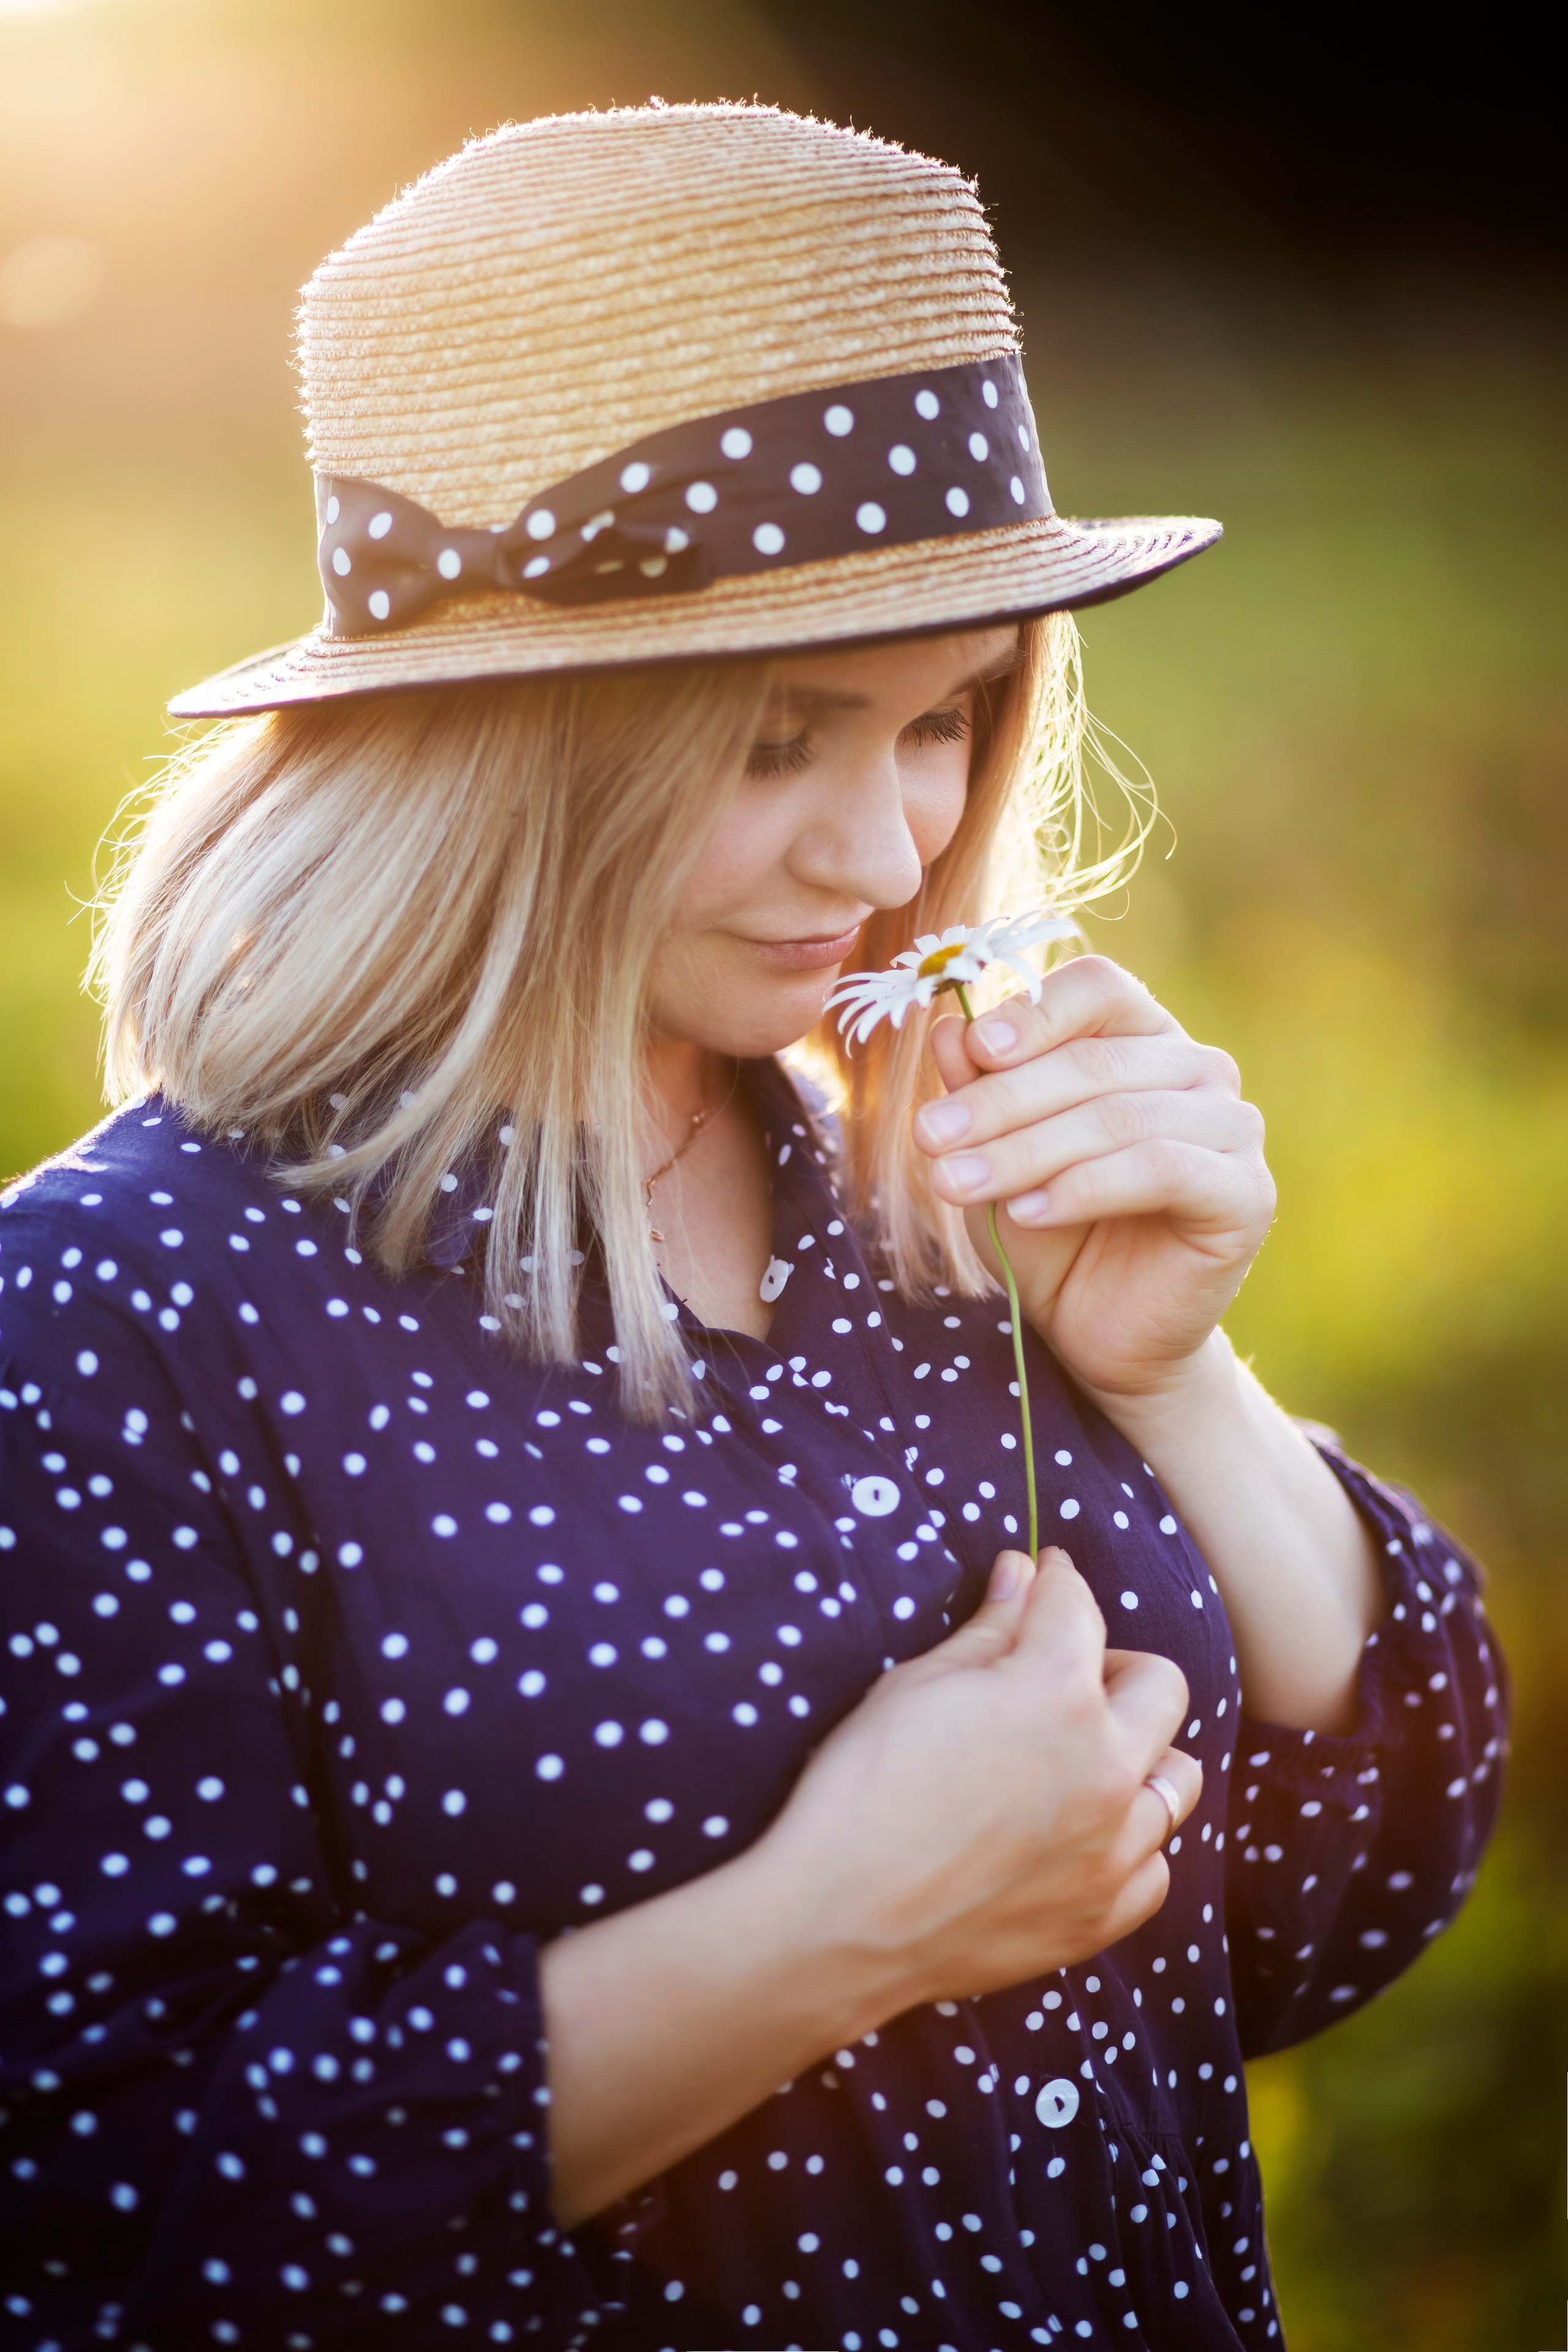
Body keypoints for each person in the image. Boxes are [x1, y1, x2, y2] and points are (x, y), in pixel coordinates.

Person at [0, 104, 1506, 2352]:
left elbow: (1333, 1895)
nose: (889, 858)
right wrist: (840, 1922)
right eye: (781, 741)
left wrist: (1175, 1374)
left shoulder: (918, 1175)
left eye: (948, 719)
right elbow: (108, 2223)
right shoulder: (126, 1311)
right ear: (486, 743)